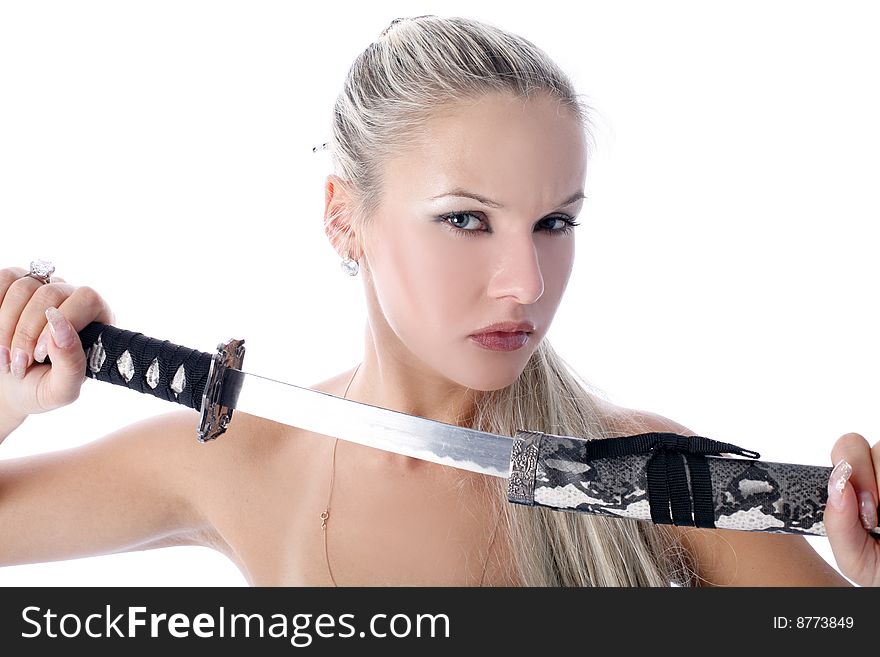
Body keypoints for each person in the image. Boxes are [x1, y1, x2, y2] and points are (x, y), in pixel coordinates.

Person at [0, 15, 876, 587]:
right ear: (345, 218)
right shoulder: (238, 463)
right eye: (466, 219)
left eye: (554, 222)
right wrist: (8, 399)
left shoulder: (658, 479)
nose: (526, 283)